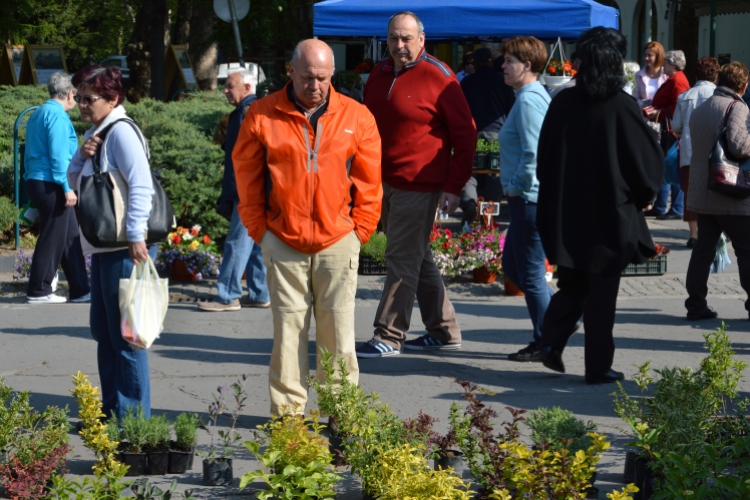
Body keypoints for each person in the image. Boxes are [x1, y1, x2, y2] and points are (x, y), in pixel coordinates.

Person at [232, 39, 382, 416]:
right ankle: (288, 417)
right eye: (307, 77)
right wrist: (259, 230)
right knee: (288, 334)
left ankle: (340, 415)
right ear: (291, 71)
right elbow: (245, 175)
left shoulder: (356, 116)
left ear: (333, 75)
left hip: (338, 240)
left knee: (339, 335)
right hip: (283, 239)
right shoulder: (263, 114)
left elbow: (370, 182)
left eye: (323, 78)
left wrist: (359, 231)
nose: (315, 86)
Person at [535, 27, 663, 384]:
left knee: (573, 282)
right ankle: (597, 365)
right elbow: (647, 163)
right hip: (611, 214)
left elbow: (544, 161)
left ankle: (550, 341)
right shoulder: (622, 107)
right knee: (602, 294)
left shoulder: (562, 102)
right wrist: (643, 197)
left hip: (567, 212)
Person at [357, 11, 476, 357]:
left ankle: (389, 335)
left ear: (422, 40)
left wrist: (454, 186)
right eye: (393, 38)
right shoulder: (378, 74)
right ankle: (444, 330)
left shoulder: (439, 76)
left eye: (407, 38)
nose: (399, 45)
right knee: (416, 256)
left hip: (420, 184)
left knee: (400, 258)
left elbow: (466, 135)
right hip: (384, 181)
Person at [68, 65, 156, 419]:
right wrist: (82, 154)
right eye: (79, 98)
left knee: (127, 338)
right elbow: (76, 182)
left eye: (88, 99)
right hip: (106, 247)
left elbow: (141, 185)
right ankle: (112, 410)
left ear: (113, 98)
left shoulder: (121, 133)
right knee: (105, 333)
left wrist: (137, 235)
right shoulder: (98, 134)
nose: (81, 105)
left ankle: (133, 420)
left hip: (123, 247)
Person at [498, 36, 555, 362]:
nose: (503, 67)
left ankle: (546, 339)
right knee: (513, 267)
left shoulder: (530, 99)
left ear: (528, 66)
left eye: (509, 61)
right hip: (526, 199)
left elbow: (534, 152)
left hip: (529, 198)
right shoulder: (527, 97)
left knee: (530, 275)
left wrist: (515, 187)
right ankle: (559, 320)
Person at [198, 69, 269, 312]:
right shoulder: (258, 110)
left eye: (230, 86)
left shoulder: (245, 113)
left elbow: (244, 157)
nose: (225, 91)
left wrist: (239, 191)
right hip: (259, 189)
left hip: (247, 190)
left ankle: (227, 296)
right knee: (255, 242)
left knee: (237, 241)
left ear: (247, 88)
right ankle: (260, 294)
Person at [684, 61, 750, 321]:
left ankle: (695, 304)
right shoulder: (737, 107)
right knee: (746, 250)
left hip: (703, 190)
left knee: (703, 249)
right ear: (742, 86)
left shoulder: (701, 108)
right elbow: (738, 147)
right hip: (730, 191)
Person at [24, 72, 90, 304]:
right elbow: (59, 156)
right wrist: (67, 187)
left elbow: (29, 154)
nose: (80, 101)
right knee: (53, 237)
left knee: (70, 236)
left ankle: (81, 289)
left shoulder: (38, 113)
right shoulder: (58, 116)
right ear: (70, 94)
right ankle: (39, 291)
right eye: (79, 95)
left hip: (38, 180)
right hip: (52, 184)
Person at [459, 47, 515, 225]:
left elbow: (459, 110)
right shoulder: (501, 81)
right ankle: (489, 211)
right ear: (491, 62)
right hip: (497, 134)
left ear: (474, 63)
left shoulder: (467, 82)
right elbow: (511, 108)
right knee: (495, 174)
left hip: (472, 133)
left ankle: (470, 203)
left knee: (469, 172)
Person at [671, 57, 720, 247]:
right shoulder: (720, 94)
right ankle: (717, 234)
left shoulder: (685, 96)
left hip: (690, 152)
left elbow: (676, 126)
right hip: (715, 153)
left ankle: (694, 235)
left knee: (692, 194)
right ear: (715, 75)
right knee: (716, 192)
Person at [647, 50, 690, 220]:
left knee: (672, 167)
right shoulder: (674, 80)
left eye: (665, 63)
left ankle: (676, 208)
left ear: (673, 64)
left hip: (672, 130)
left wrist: (658, 113)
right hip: (668, 129)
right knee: (665, 167)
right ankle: (661, 205)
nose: (663, 65)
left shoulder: (678, 81)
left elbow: (677, 107)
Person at [634, 41, 667, 107]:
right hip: (643, 116)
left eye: (649, 55)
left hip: (662, 115)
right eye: (645, 55)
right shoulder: (639, 75)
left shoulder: (666, 75)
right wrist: (647, 103)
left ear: (658, 56)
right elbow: (634, 99)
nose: (646, 58)